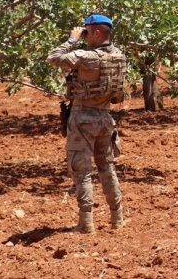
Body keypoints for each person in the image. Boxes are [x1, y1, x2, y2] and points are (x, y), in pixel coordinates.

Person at [47, 14, 126, 233]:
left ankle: (86, 223)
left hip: (83, 118)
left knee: (81, 170)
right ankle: (117, 219)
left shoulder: (87, 57)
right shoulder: (119, 56)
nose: (84, 35)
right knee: (107, 167)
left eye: (87, 32)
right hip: (105, 118)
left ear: (97, 33)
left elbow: (53, 57)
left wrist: (72, 40)